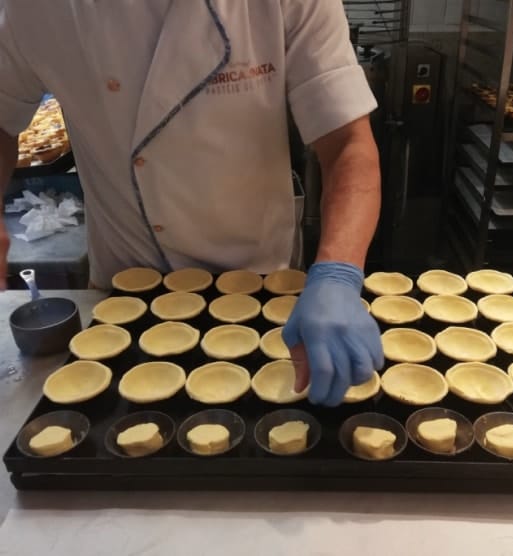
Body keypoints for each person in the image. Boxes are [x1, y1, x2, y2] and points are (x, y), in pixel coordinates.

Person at [0, 0, 383, 406]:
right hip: (125, 287)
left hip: (262, 286)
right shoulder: (36, 8)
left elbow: (347, 145)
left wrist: (338, 273)